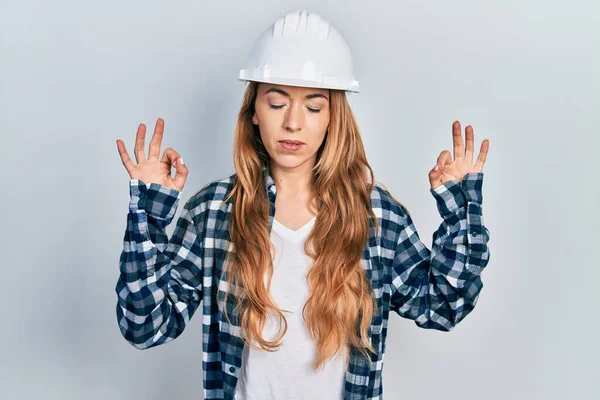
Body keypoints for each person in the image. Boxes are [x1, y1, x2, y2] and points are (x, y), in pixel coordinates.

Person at [114, 9, 491, 400]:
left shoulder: (377, 217)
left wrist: (461, 211)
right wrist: (150, 211)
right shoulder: (213, 212)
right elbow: (146, 327)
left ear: (333, 118)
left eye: (313, 107)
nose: (294, 123)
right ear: (254, 113)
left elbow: (443, 306)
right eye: (277, 104)